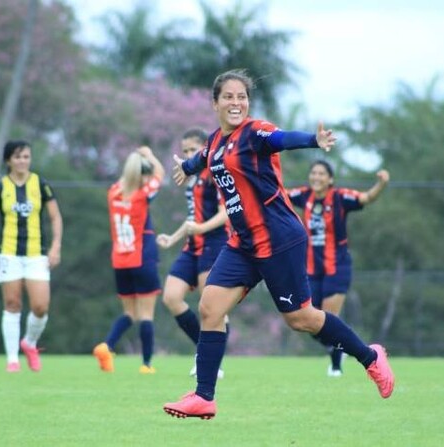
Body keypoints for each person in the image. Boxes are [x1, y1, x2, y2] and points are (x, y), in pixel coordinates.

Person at [163, 69, 395, 420]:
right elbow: (203, 160)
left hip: (279, 239)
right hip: (243, 244)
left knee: (301, 318)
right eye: (228, 96)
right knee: (210, 307)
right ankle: (204, 397)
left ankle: (370, 357)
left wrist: (313, 141)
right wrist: (187, 167)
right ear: (215, 103)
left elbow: (282, 139)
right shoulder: (213, 143)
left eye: (241, 96)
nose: (236, 102)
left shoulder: (255, 132)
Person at [288, 161, 390, 377]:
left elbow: (366, 198)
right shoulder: (303, 195)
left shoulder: (340, 197)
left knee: (328, 316)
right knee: (309, 318)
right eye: (313, 173)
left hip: (337, 267)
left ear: (330, 179)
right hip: (311, 269)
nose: (316, 177)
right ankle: (342, 346)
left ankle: (336, 365)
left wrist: (380, 184)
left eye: (322, 174)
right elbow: (278, 196)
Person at [0, 140, 63, 373]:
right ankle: (12, 360)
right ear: (8, 160)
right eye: (17, 157)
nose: (22, 161)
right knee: (12, 304)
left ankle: (29, 343)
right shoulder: (0, 188)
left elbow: (56, 217)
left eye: (26, 156)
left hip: (36, 254)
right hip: (8, 254)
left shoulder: (41, 185)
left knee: (40, 307)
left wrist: (55, 247)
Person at [157, 128, 229, 379]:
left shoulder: (214, 174)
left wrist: (200, 229)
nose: (188, 155)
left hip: (215, 242)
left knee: (211, 306)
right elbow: (192, 219)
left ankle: (211, 361)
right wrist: (173, 238)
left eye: (193, 150)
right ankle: (204, 351)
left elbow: (225, 212)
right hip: (193, 245)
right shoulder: (191, 179)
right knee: (171, 297)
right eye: (185, 150)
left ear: (204, 150)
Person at [93, 146, 165, 374]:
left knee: (129, 314)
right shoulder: (142, 196)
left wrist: (134, 161)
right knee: (146, 315)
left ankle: (107, 345)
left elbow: (126, 179)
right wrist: (150, 155)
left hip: (120, 260)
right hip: (141, 258)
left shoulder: (113, 192)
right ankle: (146, 364)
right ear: (141, 175)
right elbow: (160, 175)